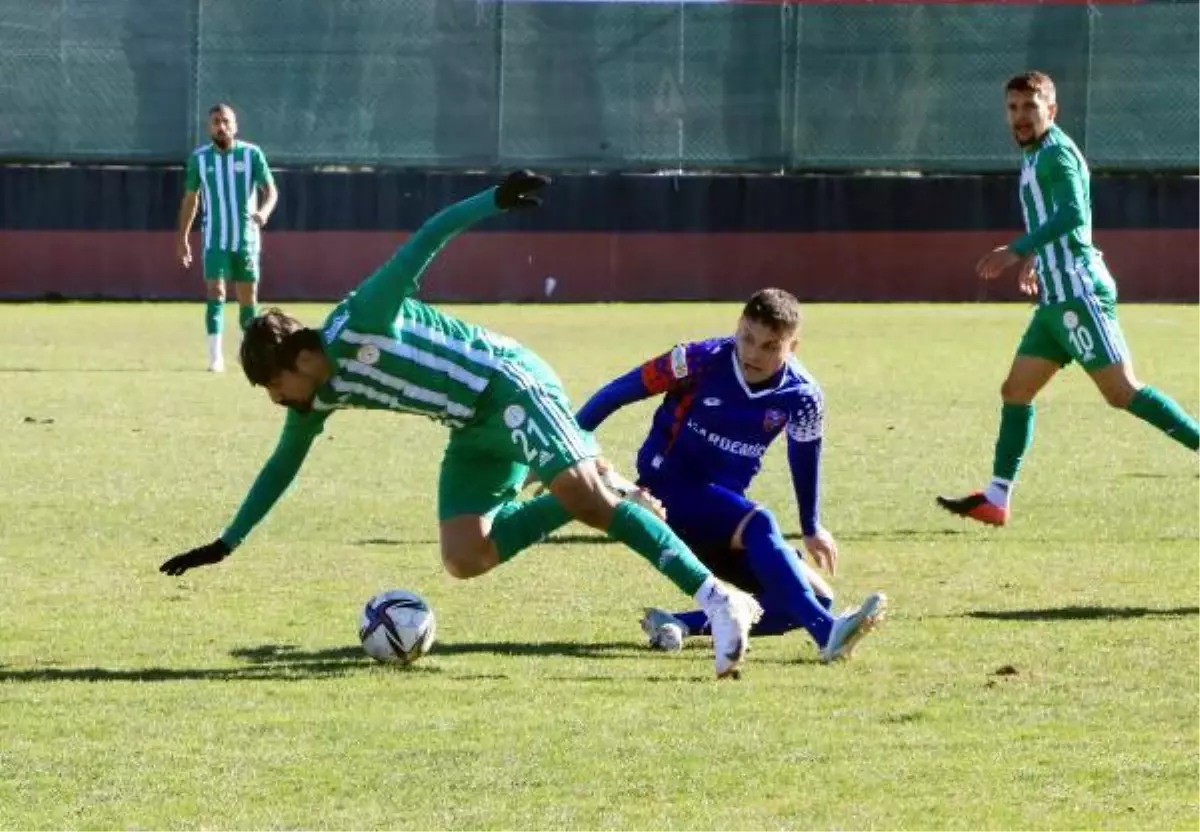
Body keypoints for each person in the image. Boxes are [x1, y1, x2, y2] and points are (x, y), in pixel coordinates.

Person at [158, 171, 761, 679]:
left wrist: (495, 199)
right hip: (471, 428)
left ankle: (717, 598)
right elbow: (281, 467)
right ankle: (605, 487)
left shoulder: (364, 316)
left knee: (586, 498)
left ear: (300, 361)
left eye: (272, 387)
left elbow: (427, 236)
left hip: (509, 383)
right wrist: (226, 542)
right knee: (465, 556)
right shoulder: (314, 399)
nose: (274, 400)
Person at [938, 72, 1200, 526]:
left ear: (1051, 111)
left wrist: (1017, 249)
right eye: (1013, 108)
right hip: (1055, 299)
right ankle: (997, 497)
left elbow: (1074, 213)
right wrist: (1040, 257)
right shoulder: (1034, 153)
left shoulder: (1056, 154)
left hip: (1077, 293)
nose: (1020, 117)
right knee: (1016, 390)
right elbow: (1061, 219)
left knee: (1121, 391)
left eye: (1030, 107)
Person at [575, 289, 887, 663]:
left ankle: (679, 623)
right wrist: (569, 451)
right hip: (665, 494)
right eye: (748, 338)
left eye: (771, 346)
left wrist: (811, 526)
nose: (754, 353)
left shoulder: (804, 396)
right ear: (737, 327)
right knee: (761, 523)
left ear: (793, 347)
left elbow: (804, 456)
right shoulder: (695, 360)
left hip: (721, 516)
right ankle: (826, 634)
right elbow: (617, 391)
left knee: (814, 597)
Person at [176, 103, 278, 372]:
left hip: (246, 238)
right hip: (215, 239)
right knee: (216, 291)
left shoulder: (251, 154)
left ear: (235, 125)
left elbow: (271, 191)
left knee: (247, 298)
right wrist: (183, 237)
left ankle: (250, 355)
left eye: (226, 121)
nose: (221, 127)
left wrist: (264, 212)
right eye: (215, 122)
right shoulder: (200, 159)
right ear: (209, 127)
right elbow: (191, 199)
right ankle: (215, 357)